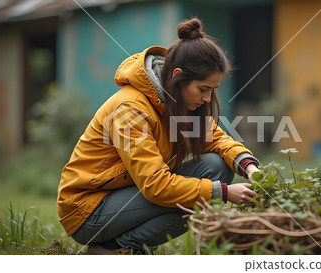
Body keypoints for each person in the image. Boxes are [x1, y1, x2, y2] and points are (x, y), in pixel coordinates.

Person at [57, 17, 260, 255]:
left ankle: (121, 245)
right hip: (88, 210)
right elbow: (155, 186)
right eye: (203, 89)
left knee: (217, 166)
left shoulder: (179, 101)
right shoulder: (130, 109)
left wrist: (248, 166)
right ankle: (112, 249)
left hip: (129, 194)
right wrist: (223, 192)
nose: (207, 99)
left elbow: (216, 138)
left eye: (212, 90)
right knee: (196, 199)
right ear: (177, 76)